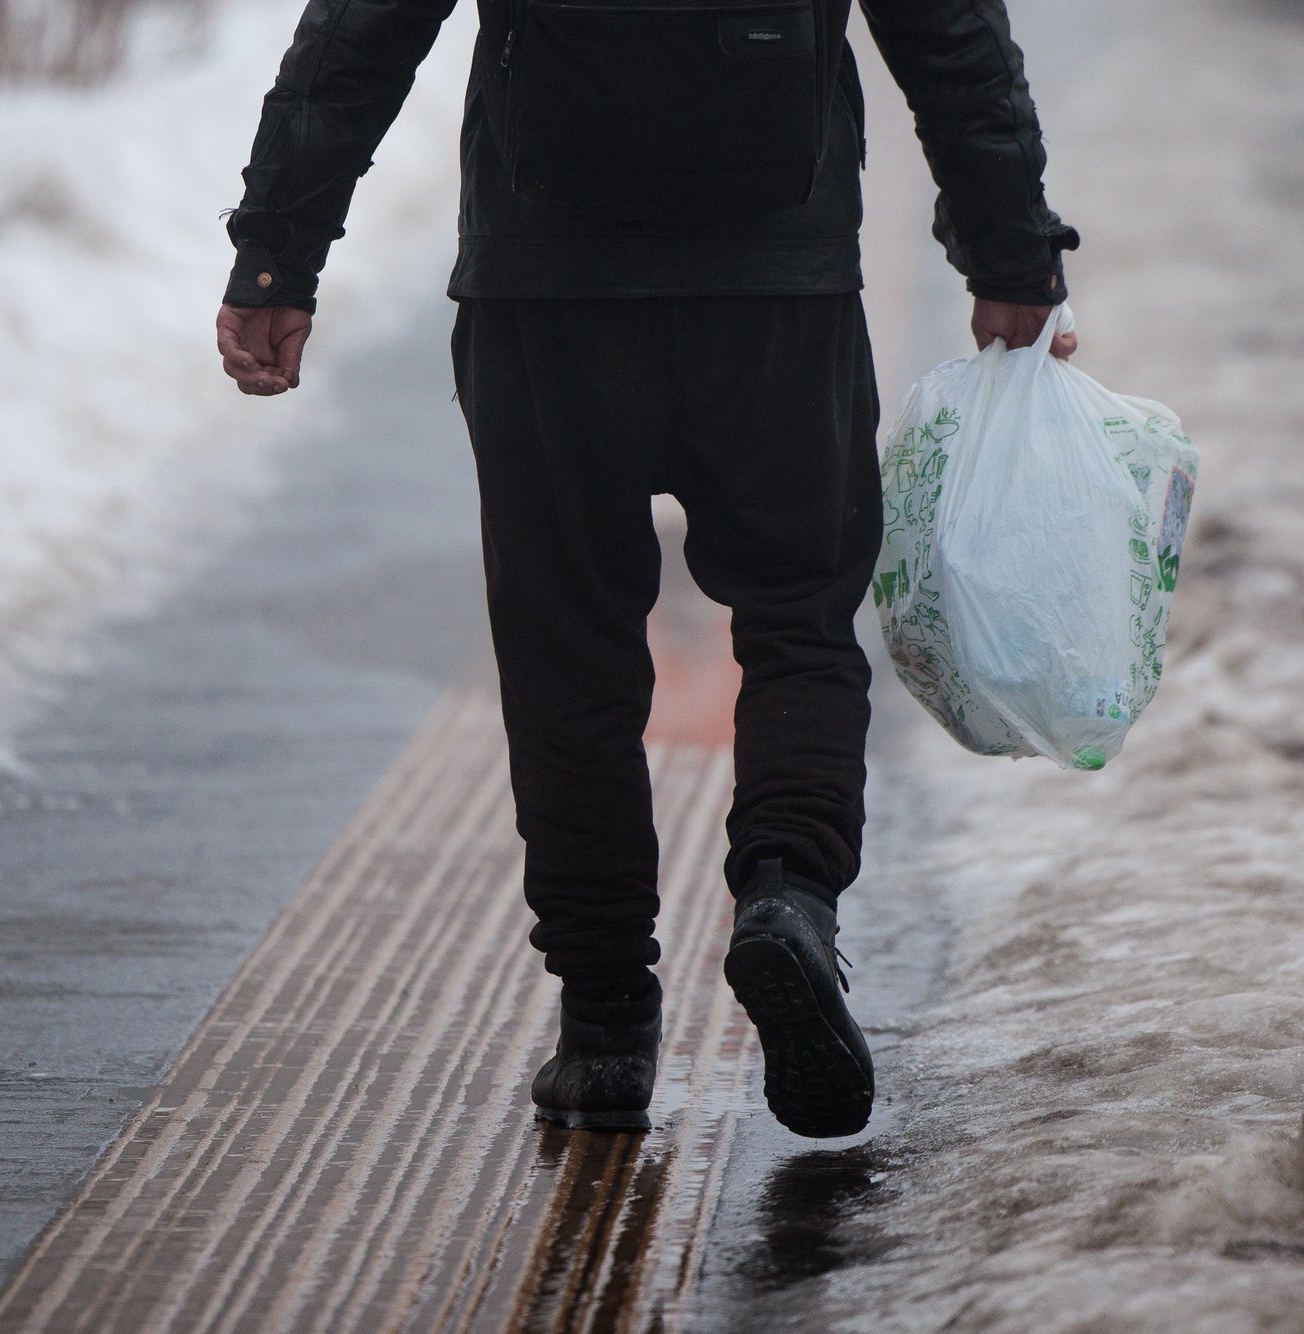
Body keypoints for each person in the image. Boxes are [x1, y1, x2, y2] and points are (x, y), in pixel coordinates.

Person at [216, 0, 1078, 1139]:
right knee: (799, 617)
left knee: (567, 644)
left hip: (547, 288)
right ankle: (786, 893)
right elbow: (948, 28)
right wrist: (1009, 250)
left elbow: (359, 31)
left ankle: (606, 1020)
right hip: (778, 288)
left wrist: (277, 256)